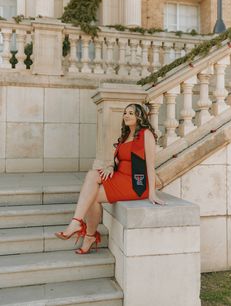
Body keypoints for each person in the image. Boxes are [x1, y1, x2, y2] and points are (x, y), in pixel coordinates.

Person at [55, 103, 165, 254]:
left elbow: (150, 165)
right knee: (92, 177)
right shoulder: (125, 136)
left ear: (139, 117)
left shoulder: (146, 134)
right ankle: (82, 228)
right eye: (125, 113)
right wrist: (110, 167)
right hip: (120, 177)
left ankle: (84, 231)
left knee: (92, 194)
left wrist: (152, 192)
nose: (126, 115)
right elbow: (119, 161)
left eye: (131, 113)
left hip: (135, 183)